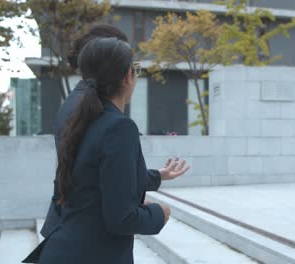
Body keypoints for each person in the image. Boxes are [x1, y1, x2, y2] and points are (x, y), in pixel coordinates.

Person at [24, 37, 172, 263]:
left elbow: (92, 191)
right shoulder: (119, 127)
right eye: (136, 70)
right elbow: (121, 220)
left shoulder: (79, 118)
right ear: (127, 76)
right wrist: (158, 214)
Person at [41, 24, 190, 238]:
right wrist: (157, 213)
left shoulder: (81, 105)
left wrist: (156, 177)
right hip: (89, 244)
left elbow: (96, 171)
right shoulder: (110, 122)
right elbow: (120, 217)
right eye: (128, 64)